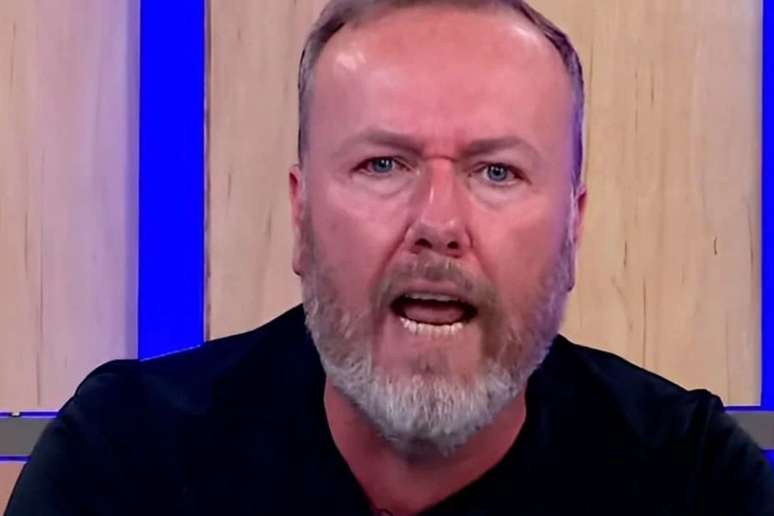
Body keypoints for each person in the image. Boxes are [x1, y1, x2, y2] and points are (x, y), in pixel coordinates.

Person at [7, 0, 774, 514]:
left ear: (573, 229)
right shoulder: (123, 465)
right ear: (301, 214)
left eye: (496, 172)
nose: (438, 223)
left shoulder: (695, 485)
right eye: (383, 165)